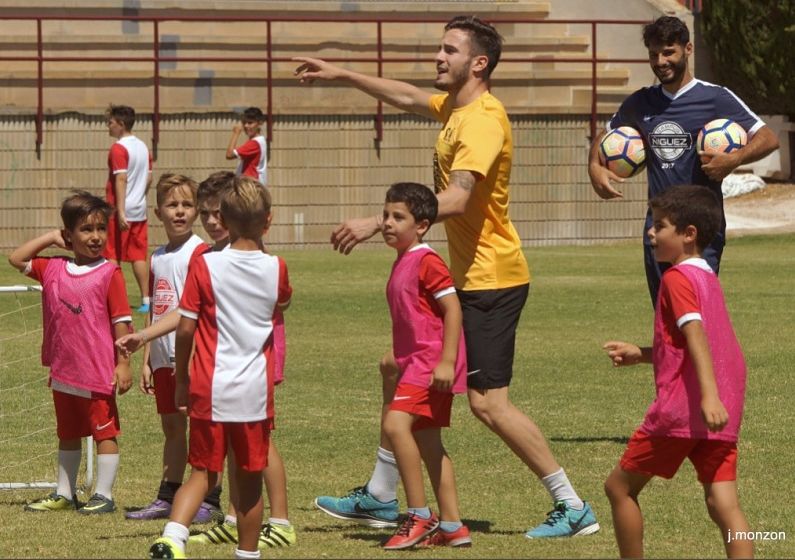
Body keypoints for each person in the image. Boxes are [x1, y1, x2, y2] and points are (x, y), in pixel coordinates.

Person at [296, 15, 599, 538]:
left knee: (488, 403)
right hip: (467, 277)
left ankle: (572, 505)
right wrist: (342, 74)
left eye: (449, 50)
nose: (439, 57)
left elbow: (457, 199)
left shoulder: (481, 119)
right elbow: (409, 97)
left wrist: (380, 220)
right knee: (398, 366)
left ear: (478, 63)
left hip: (492, 280)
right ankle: (383, 495)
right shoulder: (455, 110)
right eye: (440, 48)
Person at [603, 184, 752, 559]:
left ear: (688, 235)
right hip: (722, 409)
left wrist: (707, 396)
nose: (651, 233)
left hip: (687, 409)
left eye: (660, 225)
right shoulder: (707, 278)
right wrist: (642, 354)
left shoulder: (675, 279)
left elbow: (695, 333)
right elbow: (696, 344)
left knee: (619, 489)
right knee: (723, 505)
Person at [587, 16, 779, 305]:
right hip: (659, 226)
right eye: (654, 54)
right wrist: (594, 167)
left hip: (700, 226)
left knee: (694, 316)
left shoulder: (715, 98)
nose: (661, 61)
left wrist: (733, 159)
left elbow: (768, 138)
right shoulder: (641, 103)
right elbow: (605, 135)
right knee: (664, 316)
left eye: (668, 52)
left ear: (687, 49)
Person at [149, 177, 292, 560]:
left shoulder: (207, 265)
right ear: (269, 221)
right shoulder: (277, 268)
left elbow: (185, 328)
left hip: (210, 385)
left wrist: (181, 380)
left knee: (203, 471)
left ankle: (173, 537)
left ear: (223, 220)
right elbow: (282, 303)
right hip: (255, 392)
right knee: (248, 482)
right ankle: (248, 553)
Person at [9, 190, 133, 515]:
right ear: (69, 235)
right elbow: (16, 258)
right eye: (85, 229)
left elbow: (122, 322)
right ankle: (65, 492)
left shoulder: (110, 273)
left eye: (100, 229)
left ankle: (104, 495)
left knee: (104, 432)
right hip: (64, 370)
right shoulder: (52, 268)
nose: (95, 237)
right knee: (67, 432)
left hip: (96, 372)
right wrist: (51, 237)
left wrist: (123, 363)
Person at [123, 173, 221, 523]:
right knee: (172, 426)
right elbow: (158, 307)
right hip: (164, 355)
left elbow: (188, 310)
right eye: (172, 205)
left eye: (187, 205)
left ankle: (210, 498)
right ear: (157, 211)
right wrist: (150, 358)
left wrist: (145, 339)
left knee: (203, 428)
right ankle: (168, 495)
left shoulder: (201, 252)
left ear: (196, 212)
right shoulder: (158, 256)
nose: (180, 212)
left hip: (194, 356)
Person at [376, 182, 469, 550]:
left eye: (398, 217)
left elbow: (453, 308)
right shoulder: (404, 259)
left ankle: (418, 515)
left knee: (396, 424)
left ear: (422, 225)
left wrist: (446, 361)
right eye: (385, 215)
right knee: (429, 442)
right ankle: (452, 525)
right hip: (416, 363)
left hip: (431, 365)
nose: (387, 223)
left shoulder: (427, 260)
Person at [104, 104, 153, 313]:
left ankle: (117, 300)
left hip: (120, 210)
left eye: (111, 122)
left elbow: (121, 178)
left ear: (121, 124)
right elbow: (149, 177)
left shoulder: (119, 148)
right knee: (138, 255)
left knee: (112, 255)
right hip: (139, 209)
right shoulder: (143, 146)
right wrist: (139, 195)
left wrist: (121, 211)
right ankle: (146, 301)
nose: (108, 126)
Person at [226, 107, 267, 185]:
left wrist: (236, 133)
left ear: (260, 123)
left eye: (250, 123)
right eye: (244, 123)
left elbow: (229, 154)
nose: (246, 126)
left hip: (249, 185)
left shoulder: (255, 143)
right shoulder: (260, 140)